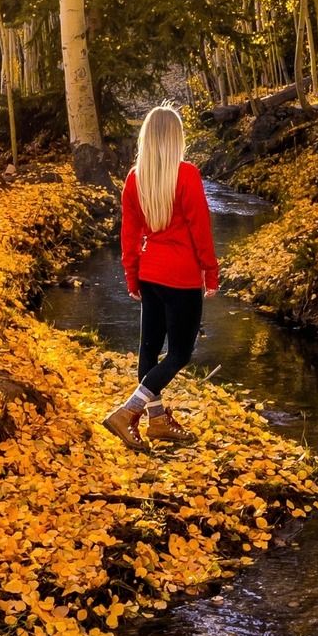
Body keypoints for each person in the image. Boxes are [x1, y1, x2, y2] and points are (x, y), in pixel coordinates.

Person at [104, 104, 219, 452]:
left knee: (149, 349)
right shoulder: (186, 175)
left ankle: (156, 422)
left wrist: (131, 275)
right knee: (180, 354)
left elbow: (129, 233)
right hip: (181, 276)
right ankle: (129, 412)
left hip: (150, 271)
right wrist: (210, 273)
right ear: (175, 139)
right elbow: (201, 230)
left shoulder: (135, 177)